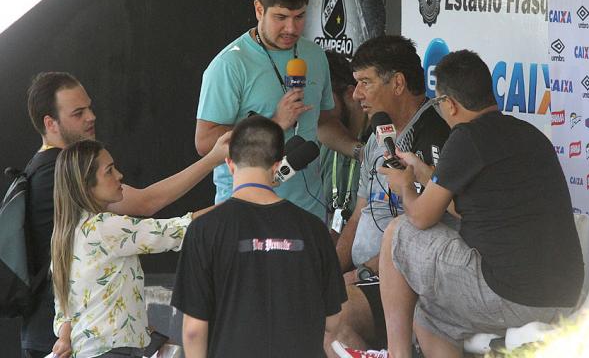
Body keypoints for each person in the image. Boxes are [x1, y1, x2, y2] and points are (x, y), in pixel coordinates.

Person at [370, 50, 583, 358]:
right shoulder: (530, 134)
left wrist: (404, 186)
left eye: (437, 104)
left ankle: (395, 354)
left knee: (397, 233)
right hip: (564, 294)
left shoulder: (466, 137)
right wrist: (424, 172)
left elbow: (420, 217)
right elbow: (468, 208)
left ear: (449, 104)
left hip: (510, 295)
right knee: (431, 314)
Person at [22, 72, 228, 358]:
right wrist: (236, 190)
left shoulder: (66, 225)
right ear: (50, 123)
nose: (91, 117)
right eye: (78, 113)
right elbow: (155, 211)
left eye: (90, 107)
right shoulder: (99, 223)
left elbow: (66, 302)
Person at [194, 0, 361, 221]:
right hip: (246, 209)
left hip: (307, 211)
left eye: (300, 16)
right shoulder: (230, 64)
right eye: (281, 17)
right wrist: (273, 123)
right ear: (259, 9)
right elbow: (205, 142)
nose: (291, 28)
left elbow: (323, 122)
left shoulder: (315, 56)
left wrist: (359, 151)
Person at [171, 115, 347, 358]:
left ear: (229, 163)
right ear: (277, 165)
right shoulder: (314, 228)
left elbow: (193, 330)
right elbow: (333, 320)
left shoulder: (203, 230)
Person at [324, 35, 450, 356]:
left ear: (397, 83)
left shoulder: (435, 134)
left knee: (333, 317)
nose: (356, 94)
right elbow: (358, 216)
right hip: (365, 275)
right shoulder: (377, 137)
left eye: (365, 82)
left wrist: (360, 273)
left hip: (405, 282)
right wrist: (328, 272)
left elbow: (426, 234)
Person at [50, 139, 227, 358]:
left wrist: (64, 338)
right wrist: (237, 202)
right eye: (109, 171)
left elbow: (64, 311)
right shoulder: (104, 228)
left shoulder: (65, 237)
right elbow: (177, 230)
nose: (119, 175)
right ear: (86, 185)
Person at [319, 51, 367, 236]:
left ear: (349, 94)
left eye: (323, 99)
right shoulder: (319, 141)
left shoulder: (379, 140)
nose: (314, 108)